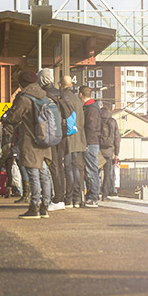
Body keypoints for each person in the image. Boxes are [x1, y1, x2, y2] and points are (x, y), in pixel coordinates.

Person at [2, 71, 53, 219]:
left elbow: (14, 117)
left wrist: (7, 117)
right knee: (44, 174)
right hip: (45, 140)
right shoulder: (44, 96)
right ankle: (45, 207)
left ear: (21, 84)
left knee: (33, 174)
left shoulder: (24, 99)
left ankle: (34, 207)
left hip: (30, 141)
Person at [38, 69, 68, 212]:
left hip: (51, 133)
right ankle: (61, 197)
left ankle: (57, 199)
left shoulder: (44, 95)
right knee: (59, 166)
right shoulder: (60, 93)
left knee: (53, 166)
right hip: (63, 133)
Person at [60, 75, 86, 208]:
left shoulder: (63, 98)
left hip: (68, 138)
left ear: (60, 84)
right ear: (71, 85)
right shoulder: (77, 99)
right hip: (79, 139)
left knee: (68, 168)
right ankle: (77, 198)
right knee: (77, 169)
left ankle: (68, 198)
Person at [80, 86, 101, 208]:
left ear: (81, 94)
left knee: (91, 170)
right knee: (90, 169)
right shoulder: (92, 107)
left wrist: (86, 142)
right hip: (91, 142)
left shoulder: (91, 109)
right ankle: (91, 196)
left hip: (90, 143)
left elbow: (91, 127)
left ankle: (93, 197)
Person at [99, 104, 119, 200]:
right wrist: (117, 153)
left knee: (95, 171)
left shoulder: (98, 120)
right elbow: (116, 137)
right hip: (109, 150)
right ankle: (105, 194)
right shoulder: (113, 121)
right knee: (107, 173)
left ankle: (94, 192)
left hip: (98, 149)